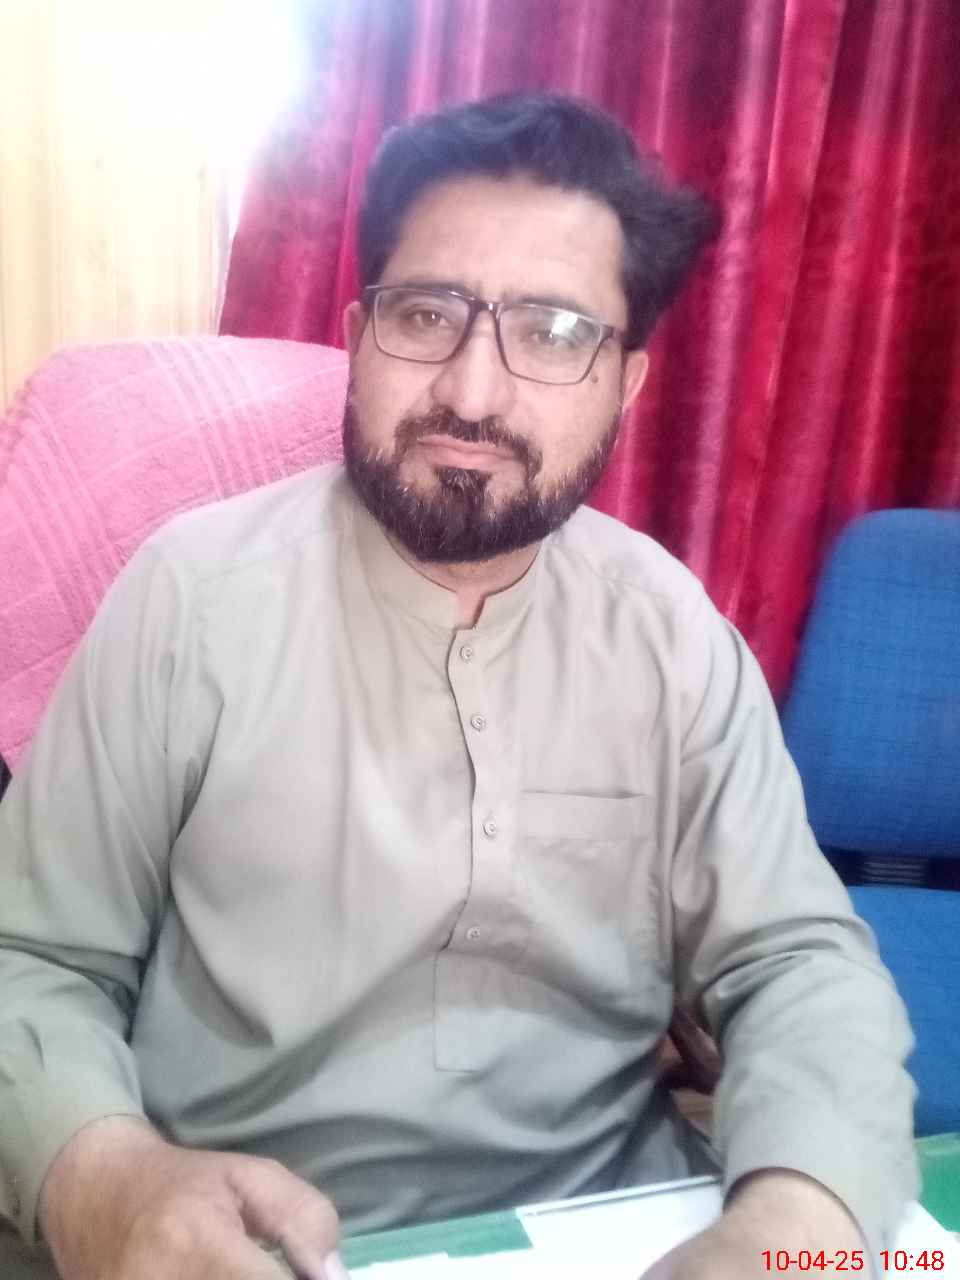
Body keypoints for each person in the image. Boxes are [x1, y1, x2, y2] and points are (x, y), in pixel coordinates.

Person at [0, 93, 916, 1280]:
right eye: (426, 314)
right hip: (228, 1235)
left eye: (553, 332)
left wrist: (793, 1224)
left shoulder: (670, 634)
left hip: (610, 1232)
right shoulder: (190, 598)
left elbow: (797, 961)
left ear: (627, 383)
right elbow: (32, 956)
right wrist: (105, 1180)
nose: (473, 394)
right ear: (359, 333)